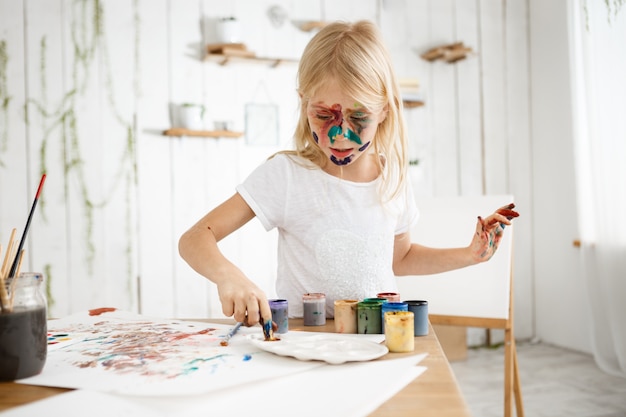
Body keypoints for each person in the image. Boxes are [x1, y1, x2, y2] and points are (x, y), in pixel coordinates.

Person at [178, 20, 518, 327]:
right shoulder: (286, 175)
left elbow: (399, 258)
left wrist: (470, 254)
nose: (341, 135)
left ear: (384, 109)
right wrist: (229, 275)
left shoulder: (393, 178)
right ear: (303, 102)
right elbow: (194, 239)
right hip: (306, 343)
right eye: (324, 115)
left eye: (359, 118)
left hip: (378, 342)